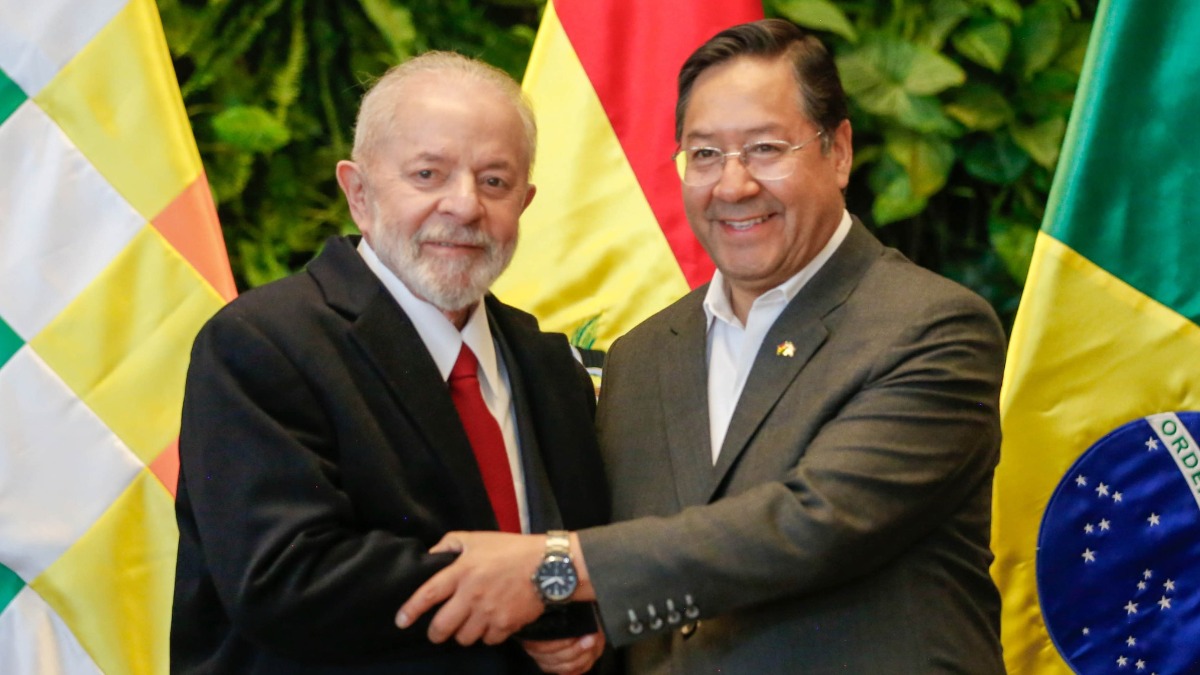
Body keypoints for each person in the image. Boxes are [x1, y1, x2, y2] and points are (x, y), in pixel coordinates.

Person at [397, 19, 1007, 674]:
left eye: (766, 148)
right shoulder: (641, 355)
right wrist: (581, 620)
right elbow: (651, 561)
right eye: (705, 154)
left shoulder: (933, 326)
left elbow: (812, 525)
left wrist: (554, 568)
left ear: (839, 151)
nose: (733, 184)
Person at [171, 51, 610, 674]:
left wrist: (579, 616)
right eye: (428, 174)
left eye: (494, 181)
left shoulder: (550, 367)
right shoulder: (262, 344)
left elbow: (583, 551)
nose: (464, 206)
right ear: (358, 192)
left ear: (526, 202)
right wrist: (540, 587)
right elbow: (286, 577)